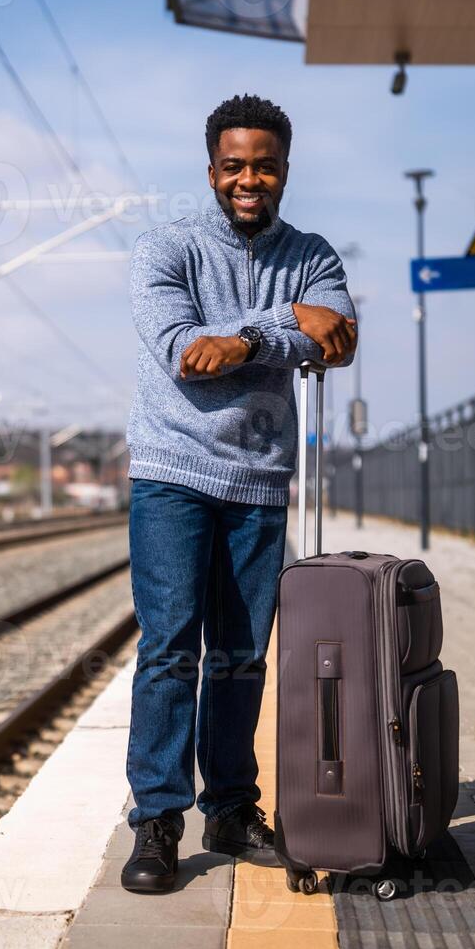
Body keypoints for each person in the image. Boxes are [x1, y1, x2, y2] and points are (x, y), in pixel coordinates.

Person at [121, 94, 357, 893]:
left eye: (264, 165)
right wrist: (293, 325)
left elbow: (343, 337)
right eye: (234, 166)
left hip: (258, 479)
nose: (248, 179)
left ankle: (229, 807)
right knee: (169, 649)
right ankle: (157, 818)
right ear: (212, 170)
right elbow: (190, 355)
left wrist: (257, 331)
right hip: (172, 474)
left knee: (241, 656)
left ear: (285, 169)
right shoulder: (166, 248)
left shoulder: (314, 253)